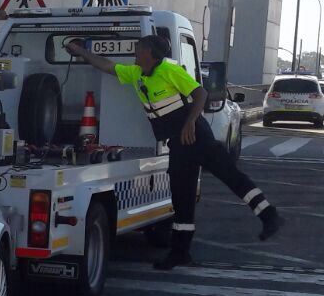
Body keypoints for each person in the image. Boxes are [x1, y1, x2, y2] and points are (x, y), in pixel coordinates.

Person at [64, 33, 282, 269]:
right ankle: (180, 253)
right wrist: (81, 52)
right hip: (178, 143)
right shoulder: (138, 74)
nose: (135, 52)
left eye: (138, 49)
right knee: (181, 196)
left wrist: (189, 122)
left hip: (196, 135)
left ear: (149, 53)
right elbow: (108, 66)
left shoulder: (170, 71)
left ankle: (269, 216)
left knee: (229, 175)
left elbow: (201, 94)